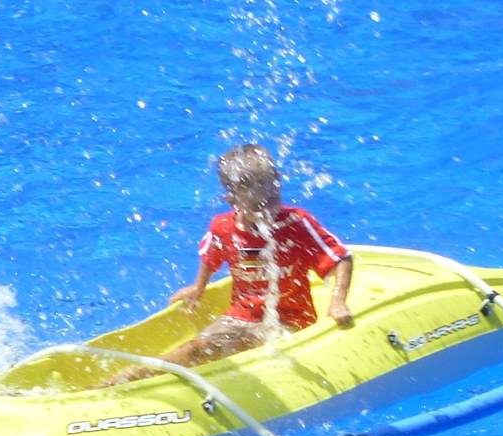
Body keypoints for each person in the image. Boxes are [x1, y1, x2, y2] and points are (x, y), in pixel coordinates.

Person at [110, 143, 354, 383]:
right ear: (232, 200)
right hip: (239, 317)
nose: (267, 211)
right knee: (197, 348)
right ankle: (131, 379)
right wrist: (198, 287)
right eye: (257, 206)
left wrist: (338, 302)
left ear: (278, 181)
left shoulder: (297, 224)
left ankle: (138, 377)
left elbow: (340, 258)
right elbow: (210, 256)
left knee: (219, 347)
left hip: (289, 321)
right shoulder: (223, 227)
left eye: (272, 200)